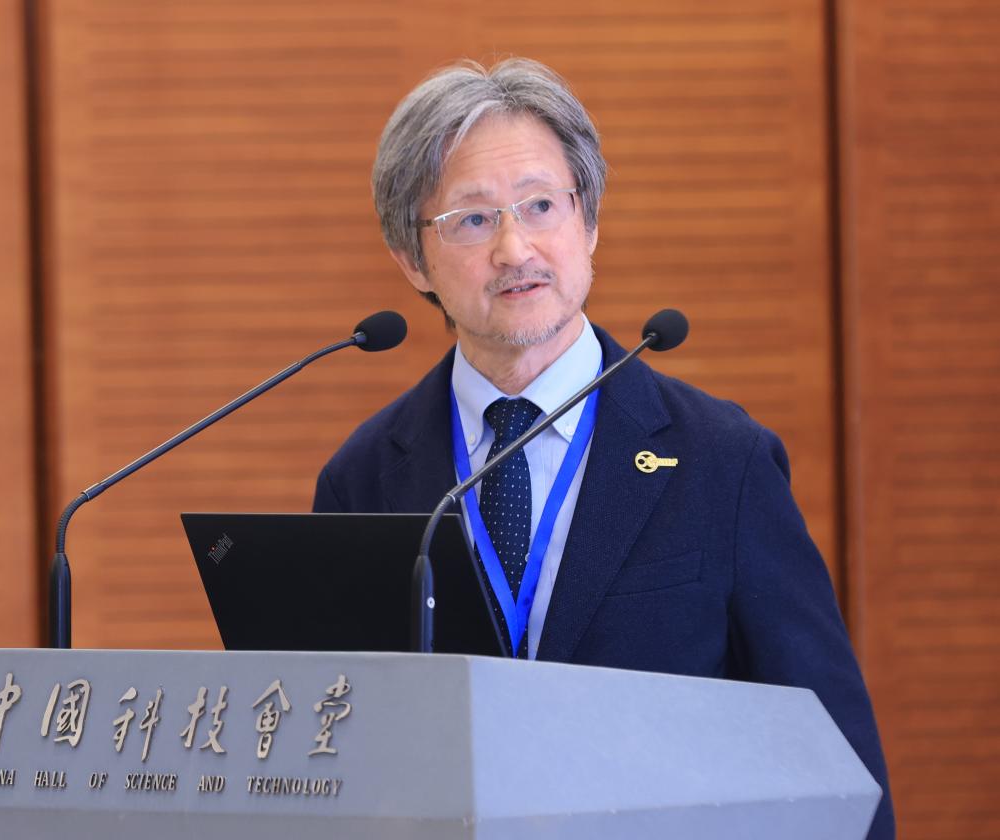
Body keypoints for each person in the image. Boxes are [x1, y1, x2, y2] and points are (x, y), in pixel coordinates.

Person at [312, 58, 893, 838]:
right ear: (410, 259)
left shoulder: (721, 461)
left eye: (540, 205)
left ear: (587, 222)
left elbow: (838, 770)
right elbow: (335, 758)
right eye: (472, 220)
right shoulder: (363, 479)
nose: (514, 248)